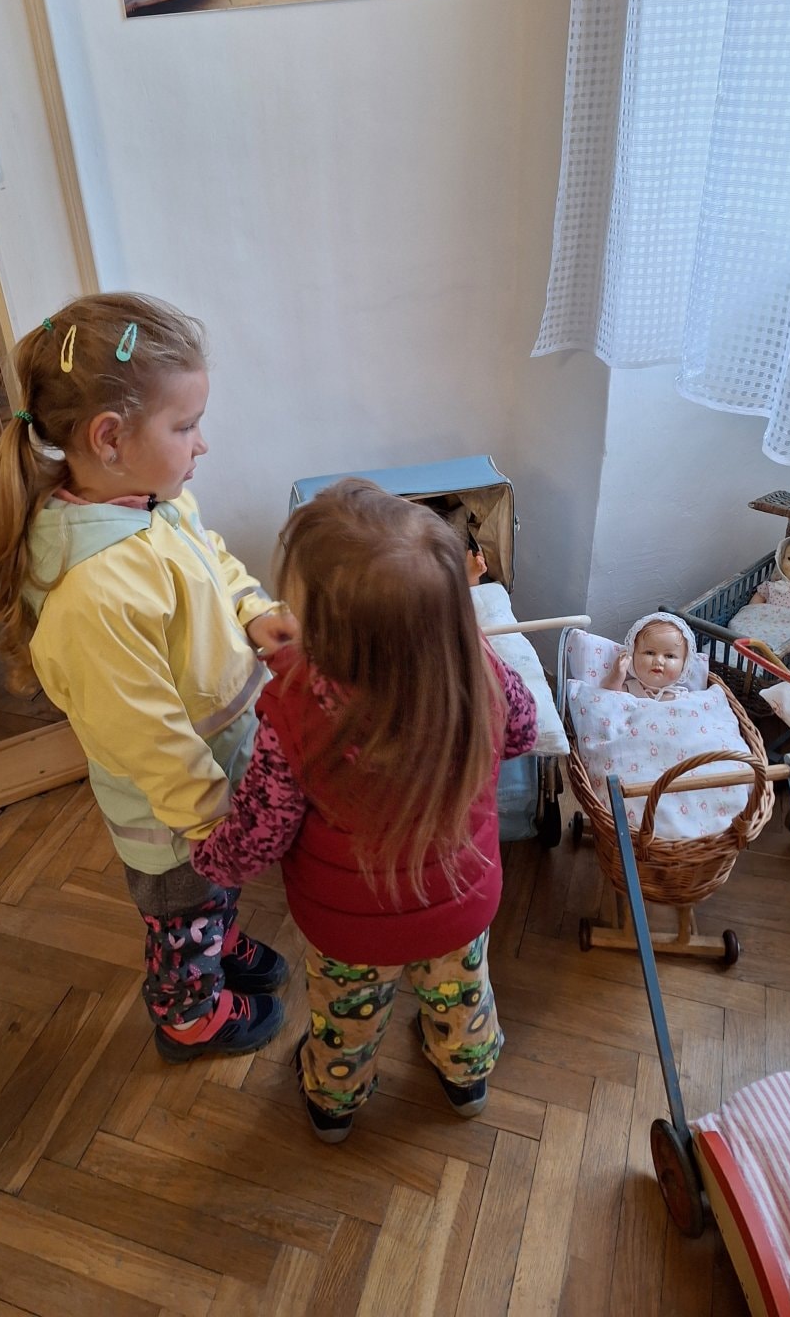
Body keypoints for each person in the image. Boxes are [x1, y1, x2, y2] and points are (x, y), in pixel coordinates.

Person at [0, 292, 298, 1061]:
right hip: (174, 819)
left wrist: (253, 611)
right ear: (110, 438)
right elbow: (149, 737)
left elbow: (211, 560)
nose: (202, 444)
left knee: (212, 900)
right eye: (186, 426)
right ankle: (190, 1016)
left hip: (214, 780)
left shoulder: (156, 504)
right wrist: (217, 826)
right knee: (182, 916)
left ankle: (219, 937)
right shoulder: (94, 595)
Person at [190, 479, 538, 1143]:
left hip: (351, 928)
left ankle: (334, 1103)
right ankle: (466, 1078)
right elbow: (520, 734)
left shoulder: (294, 708)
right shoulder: (479, 670)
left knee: (345, 1019)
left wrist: (210, 857)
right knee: (462, 998)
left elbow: (260, 834)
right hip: (460, 905)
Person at [601, 613, 700, 702]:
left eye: (669, 656)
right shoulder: (631, 689)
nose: (658, 661)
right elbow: (608, 698)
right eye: (650, 653)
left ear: (685, 663)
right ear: (632, 655)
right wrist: (616, 675)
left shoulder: (682, 698)